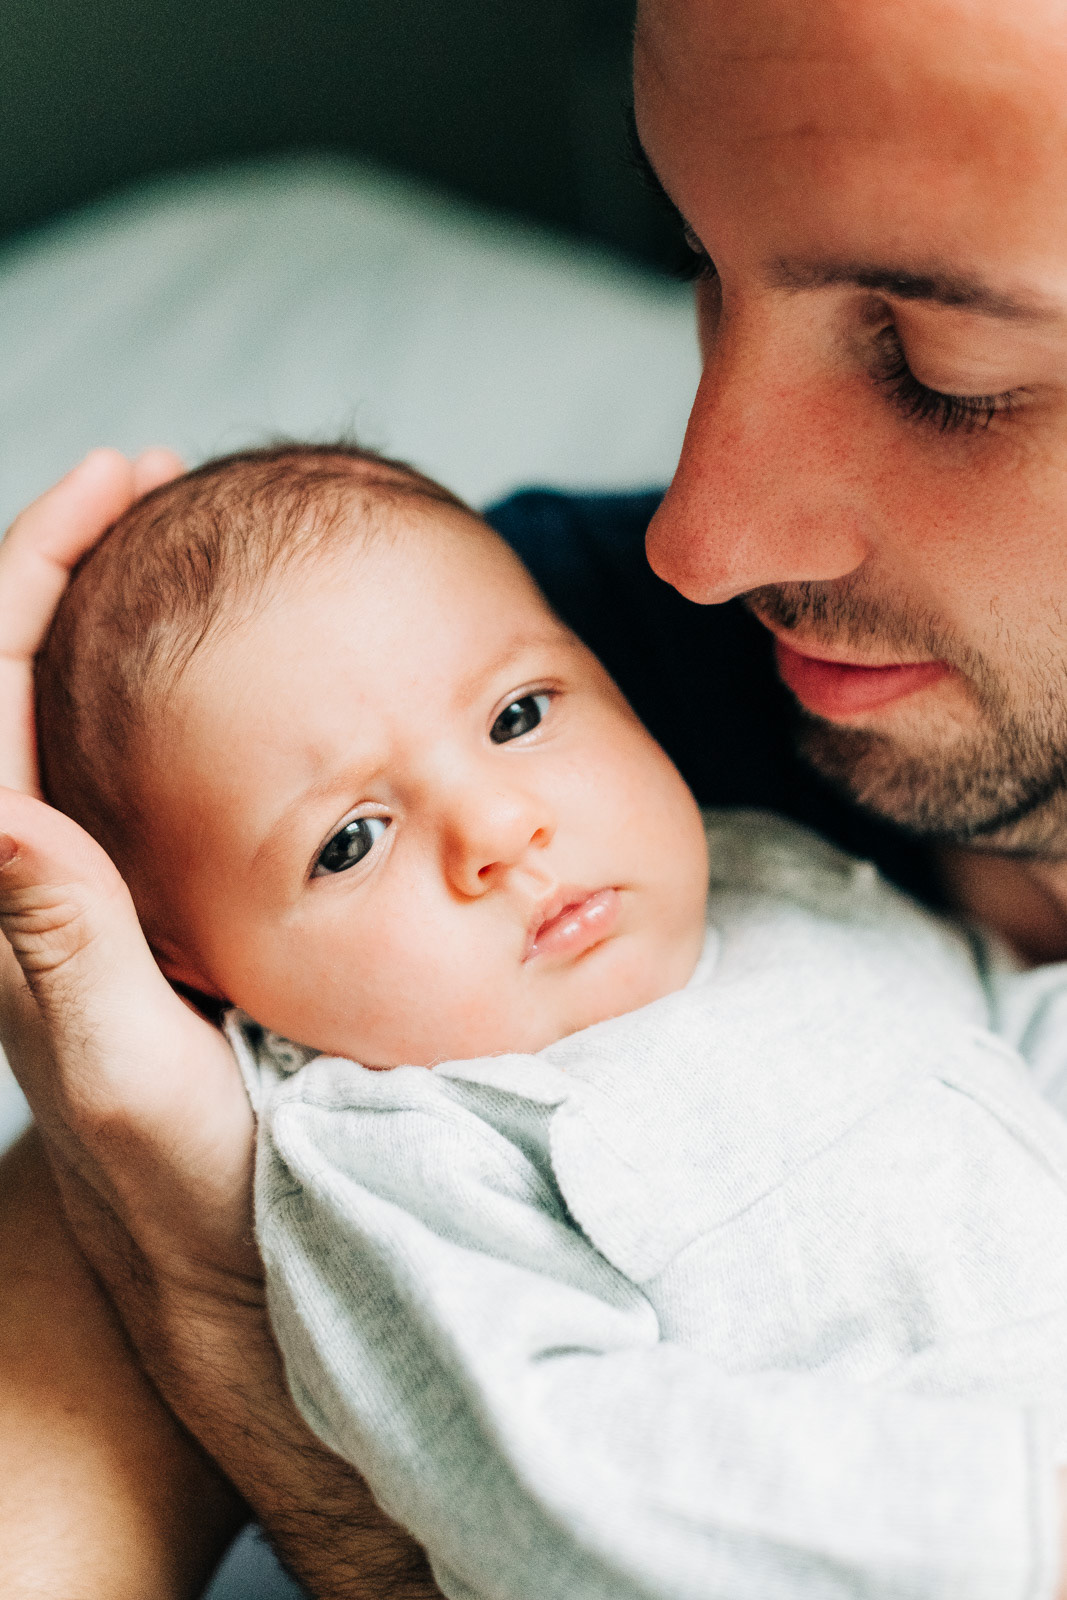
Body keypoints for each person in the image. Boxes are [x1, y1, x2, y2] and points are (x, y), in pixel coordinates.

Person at [6, 0, 1067, 1592]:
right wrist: (219, 1267)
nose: (701, 539)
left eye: (942, 368)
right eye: (702, 268)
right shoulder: (587, 676)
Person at [35, 441, 1067, 1600]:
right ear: (194, 968)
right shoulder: (401, 1145)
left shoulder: (776, 886)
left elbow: (1015, 1058)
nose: (496, 826)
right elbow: (566, 1481)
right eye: (349, 841)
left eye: (519, 714)